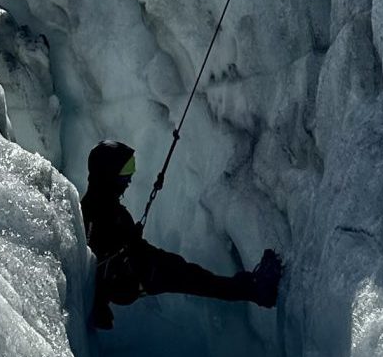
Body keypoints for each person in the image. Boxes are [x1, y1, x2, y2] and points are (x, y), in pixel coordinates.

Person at [81, 140, 283, 330]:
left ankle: (253, 288)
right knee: (197, 281)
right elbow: (95, 264)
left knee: (195, 276)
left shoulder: (103, 203)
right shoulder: (95, 211)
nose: (130, 178)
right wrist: (100, 305)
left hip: (142, 263)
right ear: (108, 174)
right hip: (137, 274)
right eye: (125, 171)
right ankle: (257, 290)